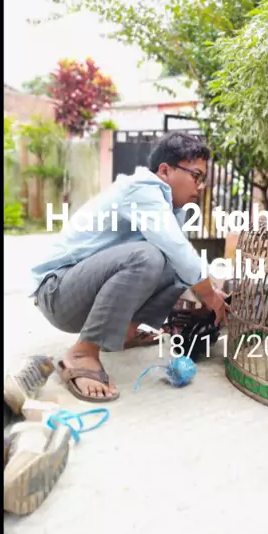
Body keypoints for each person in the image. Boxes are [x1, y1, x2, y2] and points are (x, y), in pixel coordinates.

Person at [30, 131, 230, 403]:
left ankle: (124, 332)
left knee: (174, 266)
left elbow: (184, 263)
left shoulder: (171, 208)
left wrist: (208, 287)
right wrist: (208, 295)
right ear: (165, 170)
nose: (200, 186)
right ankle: (82, 353)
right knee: (148, 256)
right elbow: (177, 250)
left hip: (79, 292)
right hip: (57, 293)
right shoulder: (143, 188)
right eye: (196, 175)